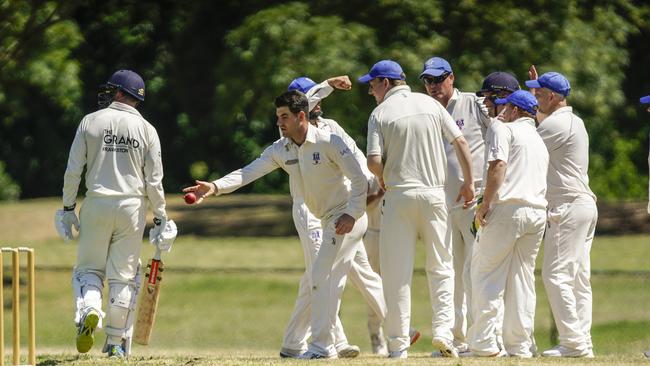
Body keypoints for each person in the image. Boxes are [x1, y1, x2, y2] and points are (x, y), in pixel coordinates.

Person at [185, 90, 370, 359]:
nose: (279, 123)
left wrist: (352, 213)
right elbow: (248, 172)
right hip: (328, 218)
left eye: (284, 117)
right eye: (277, 117)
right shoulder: (281, 149)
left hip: (347, 217)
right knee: (319, 279)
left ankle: (322, 348)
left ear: (301, 116)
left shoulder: (330, 141)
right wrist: (214, 187)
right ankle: (316, 344)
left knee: (319, 277)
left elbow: (359, 179)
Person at [360, 59, 475, 358]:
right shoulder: (430, 104)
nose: (371, 91)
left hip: (399, 196)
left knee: (397, 273)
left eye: (372, 85)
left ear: (385, 83)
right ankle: (443, 333)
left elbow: (373, 161)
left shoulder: (379, 113)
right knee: (441, 267)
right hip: (435, 195)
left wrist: (383, 178)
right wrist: (469, 183)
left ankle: (397, 346)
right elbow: (461, 142)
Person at [57, 70, 175, 359]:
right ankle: (115, 344)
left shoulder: (90, 121)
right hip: (132, 208)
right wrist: (161, 218)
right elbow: (154, 181)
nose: (109, 94)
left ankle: (90, 310)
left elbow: (74, 170)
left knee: (89, 270)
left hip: (97, 202)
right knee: (123, 277)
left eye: (112, 90)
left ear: (121, 92)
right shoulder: (147, 129)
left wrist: (68, 208)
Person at [281, 76, 387, 357]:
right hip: (309, 210)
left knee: (355, 272)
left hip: (342, 210)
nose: (319, 104)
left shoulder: (332, 127)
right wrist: (327, 83)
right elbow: (309, 100)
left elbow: (354, 156)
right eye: (313, 99)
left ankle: (399, 325)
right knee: (321, 275)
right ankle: (333, 342)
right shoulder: (289, 128)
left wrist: (371, 183)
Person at [468, 90, 548, 358]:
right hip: (536, 212)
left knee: (486, 274)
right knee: (522, 280)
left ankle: (483, 343)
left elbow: (498, 166)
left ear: (515, 110)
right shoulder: (538, 138)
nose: (499, 109)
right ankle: (519, 346)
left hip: (507, 209)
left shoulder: (504, 128)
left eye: (504, 105)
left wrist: (485, 204)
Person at [525, 69, 598, 358]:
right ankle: (582, 341)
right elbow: (540, 123)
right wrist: (534, 97)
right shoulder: (571, 121)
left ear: (553, 96)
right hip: (581, 205)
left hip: (567, 206)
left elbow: (525, 141)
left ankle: (574, 343)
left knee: (556, 275)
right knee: (578, 277)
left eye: (539, 93)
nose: (535, 98)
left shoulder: (556, 125)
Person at [419, 57, 490, 354]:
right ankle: (457, 339)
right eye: (428, 81)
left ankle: (482, 339)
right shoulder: (424, 110)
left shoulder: (474, 104)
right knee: (450, 273)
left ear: (452, 77)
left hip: (473, 203)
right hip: (441, 205)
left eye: (438, 79)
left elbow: (506, 132)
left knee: (477, 272)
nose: (434, 86)